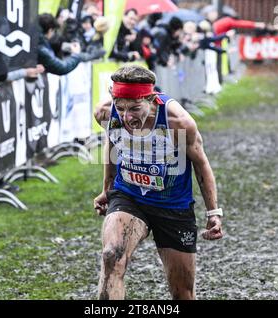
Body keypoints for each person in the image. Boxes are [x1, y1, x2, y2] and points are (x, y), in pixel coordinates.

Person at [93, 65, 224, 300]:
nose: (127, 117)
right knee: (111, 256)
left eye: (135, 108)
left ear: (152, 99)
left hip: (172, 204)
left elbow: (201, 163)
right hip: (129, 196)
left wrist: (213, 211)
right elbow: (112, 143)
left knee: (182, 292)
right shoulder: (105, 112)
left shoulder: (178, 121)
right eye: (121, 108)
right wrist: (107, 189)